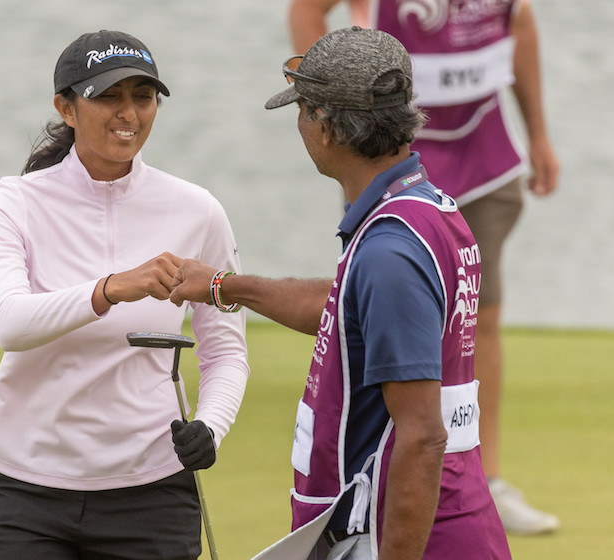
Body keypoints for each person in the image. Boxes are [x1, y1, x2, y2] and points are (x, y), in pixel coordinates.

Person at [171, 26, 511, 560]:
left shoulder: (390, 251)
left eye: (303, 109)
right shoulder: (420, 208)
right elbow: (348, 306)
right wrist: (222, 286)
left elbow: (422, 436)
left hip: (401, 534)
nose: (300, 124)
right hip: (442, 518)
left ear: (326, 127)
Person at [0, 30, 249, 560]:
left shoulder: (198, 211)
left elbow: (226, 351)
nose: (129, 113)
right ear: (66, 107)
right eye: (107, 96)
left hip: (152, 491)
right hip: (24, 492)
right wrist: (111, 289)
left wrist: (211, 426)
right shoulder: (14, 203)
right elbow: (9, 323)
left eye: (142, 97)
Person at [287, 0, 560, 535]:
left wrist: (539, 133)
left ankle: (482, 476)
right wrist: (330, 94)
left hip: (484, 151)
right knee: (375, 305)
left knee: (476, 317)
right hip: (387, 150)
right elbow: (307, 9)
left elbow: (519, 24)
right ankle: (379, 468)